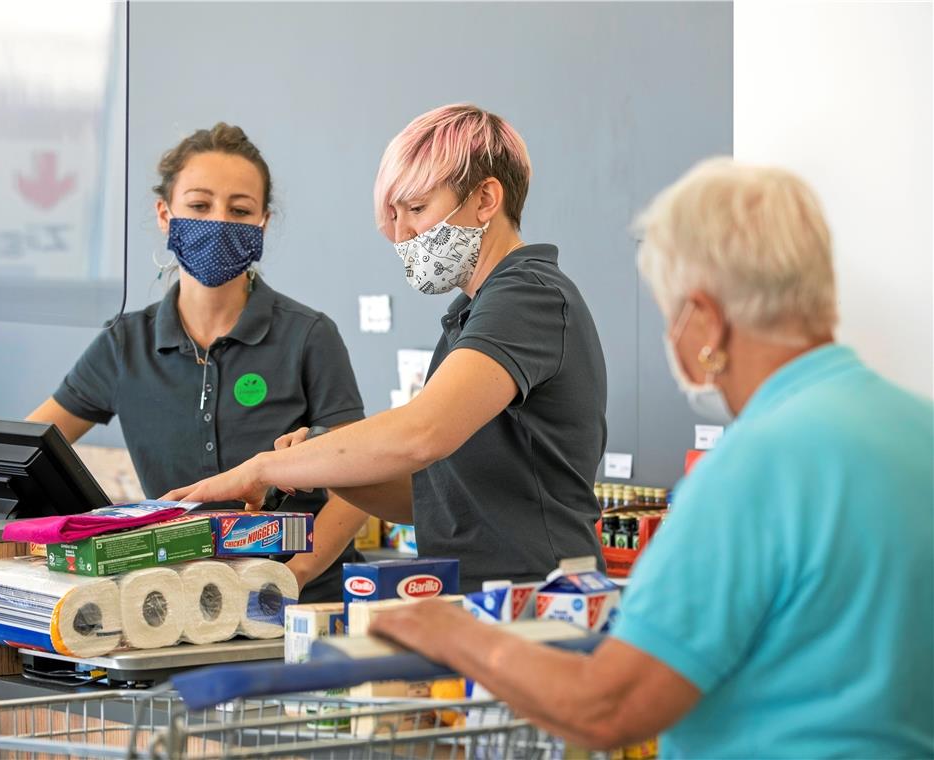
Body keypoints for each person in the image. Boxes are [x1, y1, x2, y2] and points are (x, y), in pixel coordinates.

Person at [368, 158, 934, 758]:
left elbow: (609, 705)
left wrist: (459, 636)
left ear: (706, 319)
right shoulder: (916, 429)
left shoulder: (750, 473)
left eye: (671, 313)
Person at [0, 123, 368, 603]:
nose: (218, 222)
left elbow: (360, 476)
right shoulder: (125, 344)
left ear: (263, 222)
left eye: (239, 210)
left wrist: (289, 578)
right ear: (165, 215)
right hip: (181, 600)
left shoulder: (308, 336)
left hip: (307, 602)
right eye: (199, 204)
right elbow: (17, 458)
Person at [165, 104, 609, 592]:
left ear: (485, 198)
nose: (402, 237)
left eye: (417, 210)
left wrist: (264, 467)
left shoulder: (529, 295)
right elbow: (429, 500)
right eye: (395, 219)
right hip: (477, 601)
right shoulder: (471, 316)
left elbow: (421, 433)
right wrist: (322, 462)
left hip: (540, 601)